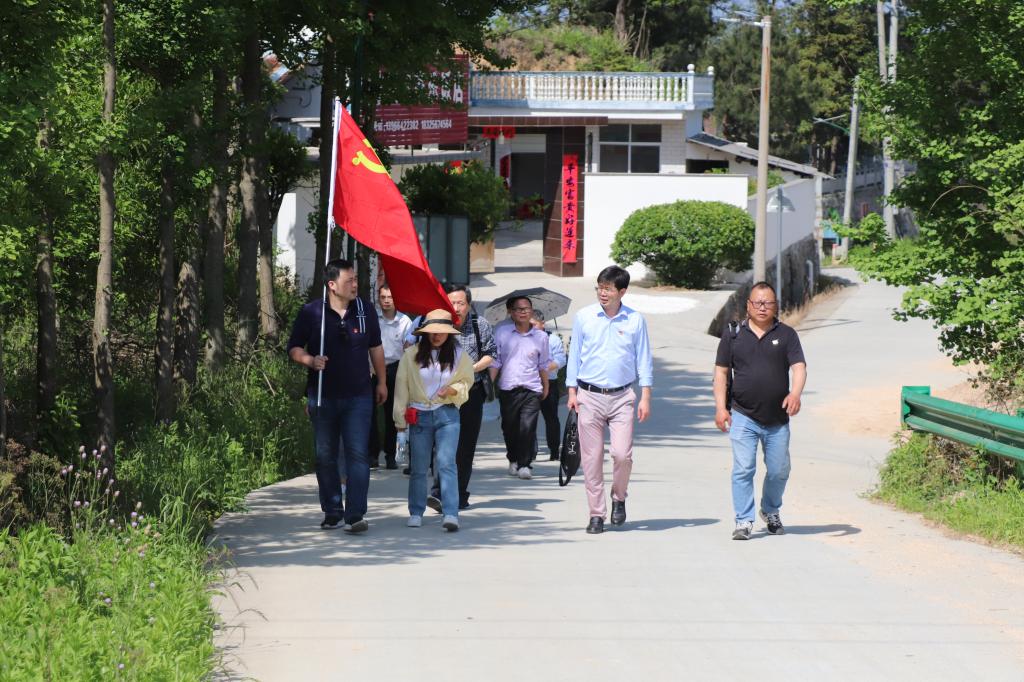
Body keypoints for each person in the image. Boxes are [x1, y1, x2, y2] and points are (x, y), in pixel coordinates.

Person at [287, 259, 387, 533]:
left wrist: (382, 382)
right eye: (349, 280)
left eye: (355, 279)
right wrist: (310, 360)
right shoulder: (312, 312)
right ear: (332, 285)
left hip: (359, 396)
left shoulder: (365, 310)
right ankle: (332, 511)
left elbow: (376, 348)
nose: (355, 285)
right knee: (325, 456)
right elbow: (294, 347)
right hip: (323, 396)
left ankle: (355, 514)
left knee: (358, 454)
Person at [713, 281, 807, 540]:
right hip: (743, 414)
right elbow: (721, 372)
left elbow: (799, 367)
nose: (763, 307)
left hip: (777, 417)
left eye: (768, 303)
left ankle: (770, 510)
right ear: (748, 305)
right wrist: (721, 408)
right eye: (758, 302)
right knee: (743, 468)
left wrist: (795, 393)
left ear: (776, 306)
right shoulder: (733, 334)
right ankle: (743, 520)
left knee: (779, 470)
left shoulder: (787, 334)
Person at [566, 265, 652, 535]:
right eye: (600, 288)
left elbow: (644, 359)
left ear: (622, 292)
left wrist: (645, 396)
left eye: (608, 289)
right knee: (591, 459)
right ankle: (596, 514)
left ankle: (619, 497)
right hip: (589, 395)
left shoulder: (635, 320)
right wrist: (572, 392)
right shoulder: (584, 317)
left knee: (621, 455)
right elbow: (574, 355)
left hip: (622, 397)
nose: (603, 293)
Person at [393, 309, 475, 531]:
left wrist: (453, 389)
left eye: (441, 331)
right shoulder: (411, 355)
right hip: (419, 414)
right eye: (432, 331)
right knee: (419, 467)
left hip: (447, 414)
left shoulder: (459, 355)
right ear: (424, 332)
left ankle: (451, 513)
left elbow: (467, 381)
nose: (436, 335)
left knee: (446, 463)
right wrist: (400, 424)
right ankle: (416, 511)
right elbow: (401, 388)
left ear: (449, 333)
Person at [491, 295, 550, 480]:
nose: (523, 312)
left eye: (527, 309)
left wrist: (546, 386)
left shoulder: (541, 337)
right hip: (508, 388)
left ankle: (525, 464)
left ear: (531, 311)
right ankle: (513, 458)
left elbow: (543, 364)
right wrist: (489, 384)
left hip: (532, 388)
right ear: (511, 312)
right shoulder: (502, 333)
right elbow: (495, 361)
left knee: (527, 427)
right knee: (509, 427)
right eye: (519, 309)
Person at [369, 285, 412, 470]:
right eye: (383, 297)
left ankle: (390, 455)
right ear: (378, 298)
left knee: (393, 414)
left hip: (395, 368)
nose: (386, 300)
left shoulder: (404, 321)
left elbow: (409, 348)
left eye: (390, 297)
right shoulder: (372, 319)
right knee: (369, 413)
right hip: (372, 368)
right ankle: (372, 455)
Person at [532, 312, 567, 461]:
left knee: (551, 417)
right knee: (529, 418)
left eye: (534, 324)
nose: (531, 328)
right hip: (530, 383)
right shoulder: (524, 339)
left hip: (550, 382)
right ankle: (531, 450)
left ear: (542, 324)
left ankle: (554, 449)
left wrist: (545, 368)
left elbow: (561, 360)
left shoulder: (552, 339)